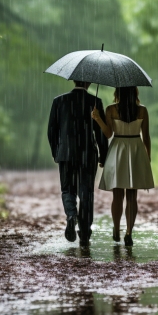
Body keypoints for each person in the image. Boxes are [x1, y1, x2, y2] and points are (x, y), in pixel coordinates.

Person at [48, 80, 109, 246]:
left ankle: (70, 215)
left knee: (67, 189)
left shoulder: (59, 101)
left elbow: (52, 131)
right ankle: (84, 231)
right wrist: (103, 155)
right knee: (86, 193)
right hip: (88, 155)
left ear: (73, 80)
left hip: (65, 153)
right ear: (89, 82)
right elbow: (101, 134)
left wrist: (57, 152)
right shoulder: (95, 102)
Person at [91, 86, 154, 246]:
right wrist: (148, 158)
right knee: (132, 196)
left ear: (117, 92)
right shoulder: (142, 110)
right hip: (136, 151)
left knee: (117, 195)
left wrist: (97, 118)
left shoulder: (111, 109)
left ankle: (117, 229)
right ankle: (129, 232)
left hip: (117, 150)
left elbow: (108, 134)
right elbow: (146, 137)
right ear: (135, 92)